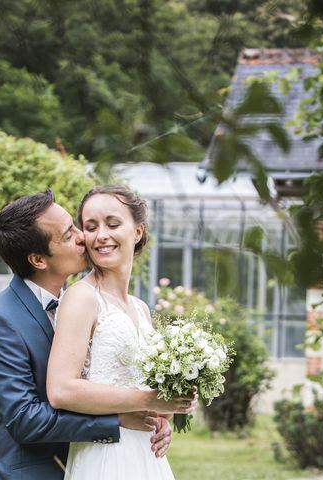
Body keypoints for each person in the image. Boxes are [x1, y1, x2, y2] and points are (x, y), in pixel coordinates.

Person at [0, 190, 189, 480]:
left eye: (76, 227)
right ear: (38, 259)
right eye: (70, 233)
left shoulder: (123, 305)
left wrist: (159, 419)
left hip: (131, 457)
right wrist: (119, 420)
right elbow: (25, 420)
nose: (83, 238)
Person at [47, 185, 192, 479]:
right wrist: (149, 401)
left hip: (146, 456)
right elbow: (61, 390)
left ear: (137, 231)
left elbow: (141, 387)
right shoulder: (82, 297)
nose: (101, 235)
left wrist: (166, 415)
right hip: (104, 457)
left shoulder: (140, 308)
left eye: (112, 224)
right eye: (91, 227)